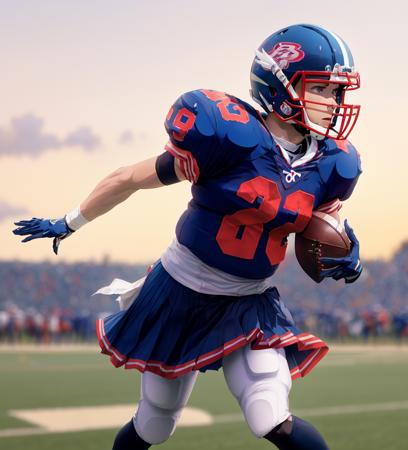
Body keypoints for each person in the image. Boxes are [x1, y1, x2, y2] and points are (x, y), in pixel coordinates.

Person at [13, 24, 363, 450]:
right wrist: (69, 222)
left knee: (271, 415)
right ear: (280, 84)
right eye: (323, 89)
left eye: (337, 92)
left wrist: (347, 253)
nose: (335, 103)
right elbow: (129, 177)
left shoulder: (333, 165)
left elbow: (324, 226)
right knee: (155, 424)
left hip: (250, 300)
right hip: (181, 290)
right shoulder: (228, 137)